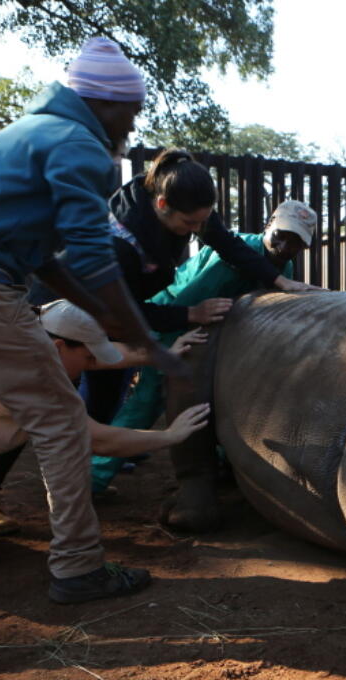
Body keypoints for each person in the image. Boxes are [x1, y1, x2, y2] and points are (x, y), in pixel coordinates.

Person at [0, 37, 179, 604]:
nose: (133, 122)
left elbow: (45, 258)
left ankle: (76, 562)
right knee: (62, 420)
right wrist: (143, 335)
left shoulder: (26, 134)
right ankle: (77, 566)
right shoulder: (82, 146)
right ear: (106, 103)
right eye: (131, 109)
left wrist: (104, 313)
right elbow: (92, 256)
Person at [0, 301, 209, 569]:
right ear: (57, 346)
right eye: (87, 358)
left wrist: (160, 354)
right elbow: (98, 439)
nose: (90, 365)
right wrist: (170, 436)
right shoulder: (19, 384)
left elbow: (98, 353)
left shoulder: (19, 344)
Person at [87, 199, 319, 494]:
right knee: (148, 399)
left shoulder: (283, 265)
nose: (285, 246)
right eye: (282, 235)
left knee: (225, 397)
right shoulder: (233, 256)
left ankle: (225, 462)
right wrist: (169, 350)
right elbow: (189, 297)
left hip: (219, 337)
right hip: (175, 321)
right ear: (268, 225)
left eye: (296, 241)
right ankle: (93, 479)